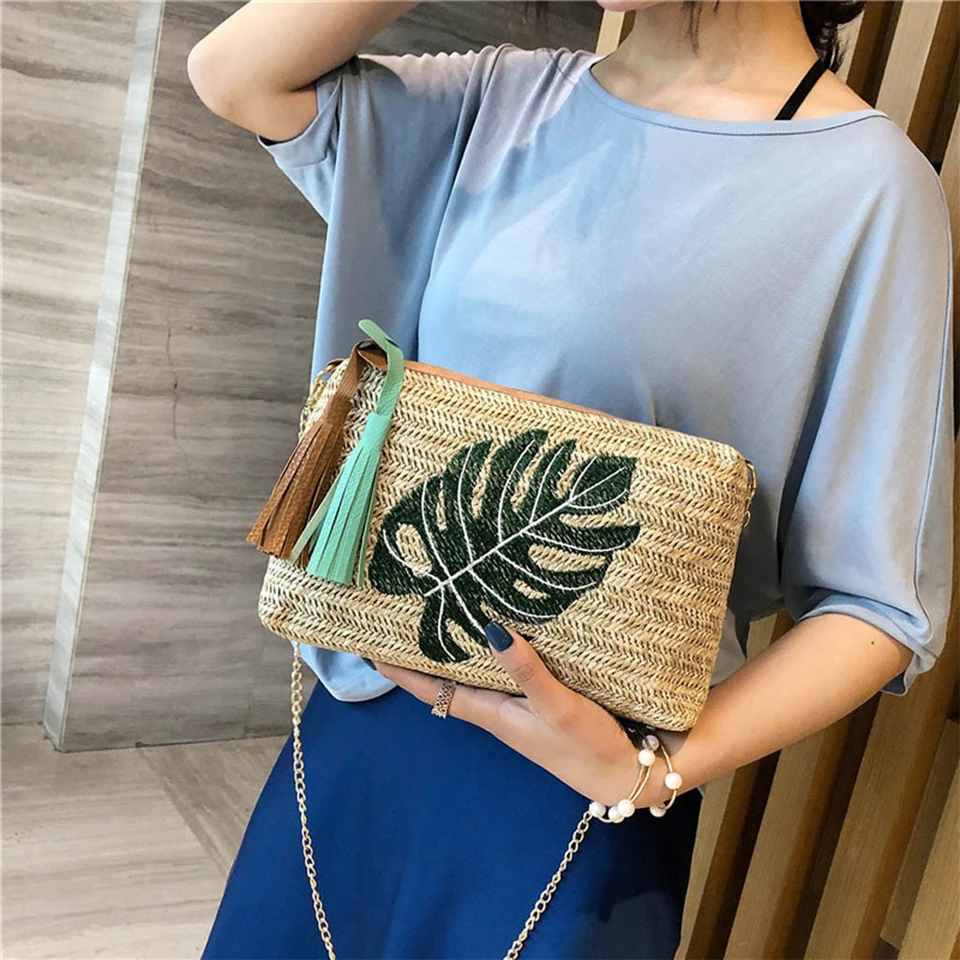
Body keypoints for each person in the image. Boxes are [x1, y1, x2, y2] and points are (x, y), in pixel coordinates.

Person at [188, 2, 954, 957]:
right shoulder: (503, 99)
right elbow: (235, 75)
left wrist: (652, 772)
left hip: (574, 799)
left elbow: (879, 606)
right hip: (368, 727)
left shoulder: (868, 189)